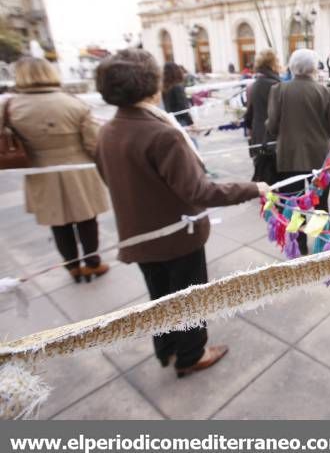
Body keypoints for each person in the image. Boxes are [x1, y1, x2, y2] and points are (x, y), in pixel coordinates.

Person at [94, 48, 268, 377]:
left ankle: (167, 348)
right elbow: (199, 191)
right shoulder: (162, 134)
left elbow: (108, 177)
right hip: (178, 235)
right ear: (150, 84)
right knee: (189, 298)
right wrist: (252, 188)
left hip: (140, 234)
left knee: (159, 295)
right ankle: (191, 354)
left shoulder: (107, 130)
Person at [2, 57, 110, 283]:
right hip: (78, 168)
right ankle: (93, 263)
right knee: (87, 220)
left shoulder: (9, 107)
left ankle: (72, 267)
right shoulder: (73, 103)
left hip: (39, 169)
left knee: (58, 224)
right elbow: (93, 143)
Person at [267, 49, 330, 254]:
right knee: (320, 202)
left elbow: (272, 127)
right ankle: (321, 242)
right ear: (314, 68)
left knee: (293, 202)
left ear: (292, 67)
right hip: (319, 157)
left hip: (289, 155)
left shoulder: (278, 90)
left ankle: (299, 244)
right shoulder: (325, 91)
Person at [243, 49, 282, 183]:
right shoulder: (276, 85)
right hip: (272, 137)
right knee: (275, 177)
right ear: (273, 63)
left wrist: (251, 129)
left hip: (259, 135)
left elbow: (249, 114)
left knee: (264, 175)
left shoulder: (255, 84)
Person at [162, 62, 194, 128]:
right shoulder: (177, 86)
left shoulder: (164, 87)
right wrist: (190, 122)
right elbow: (183, 106)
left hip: (171, 119)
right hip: (181, 119)